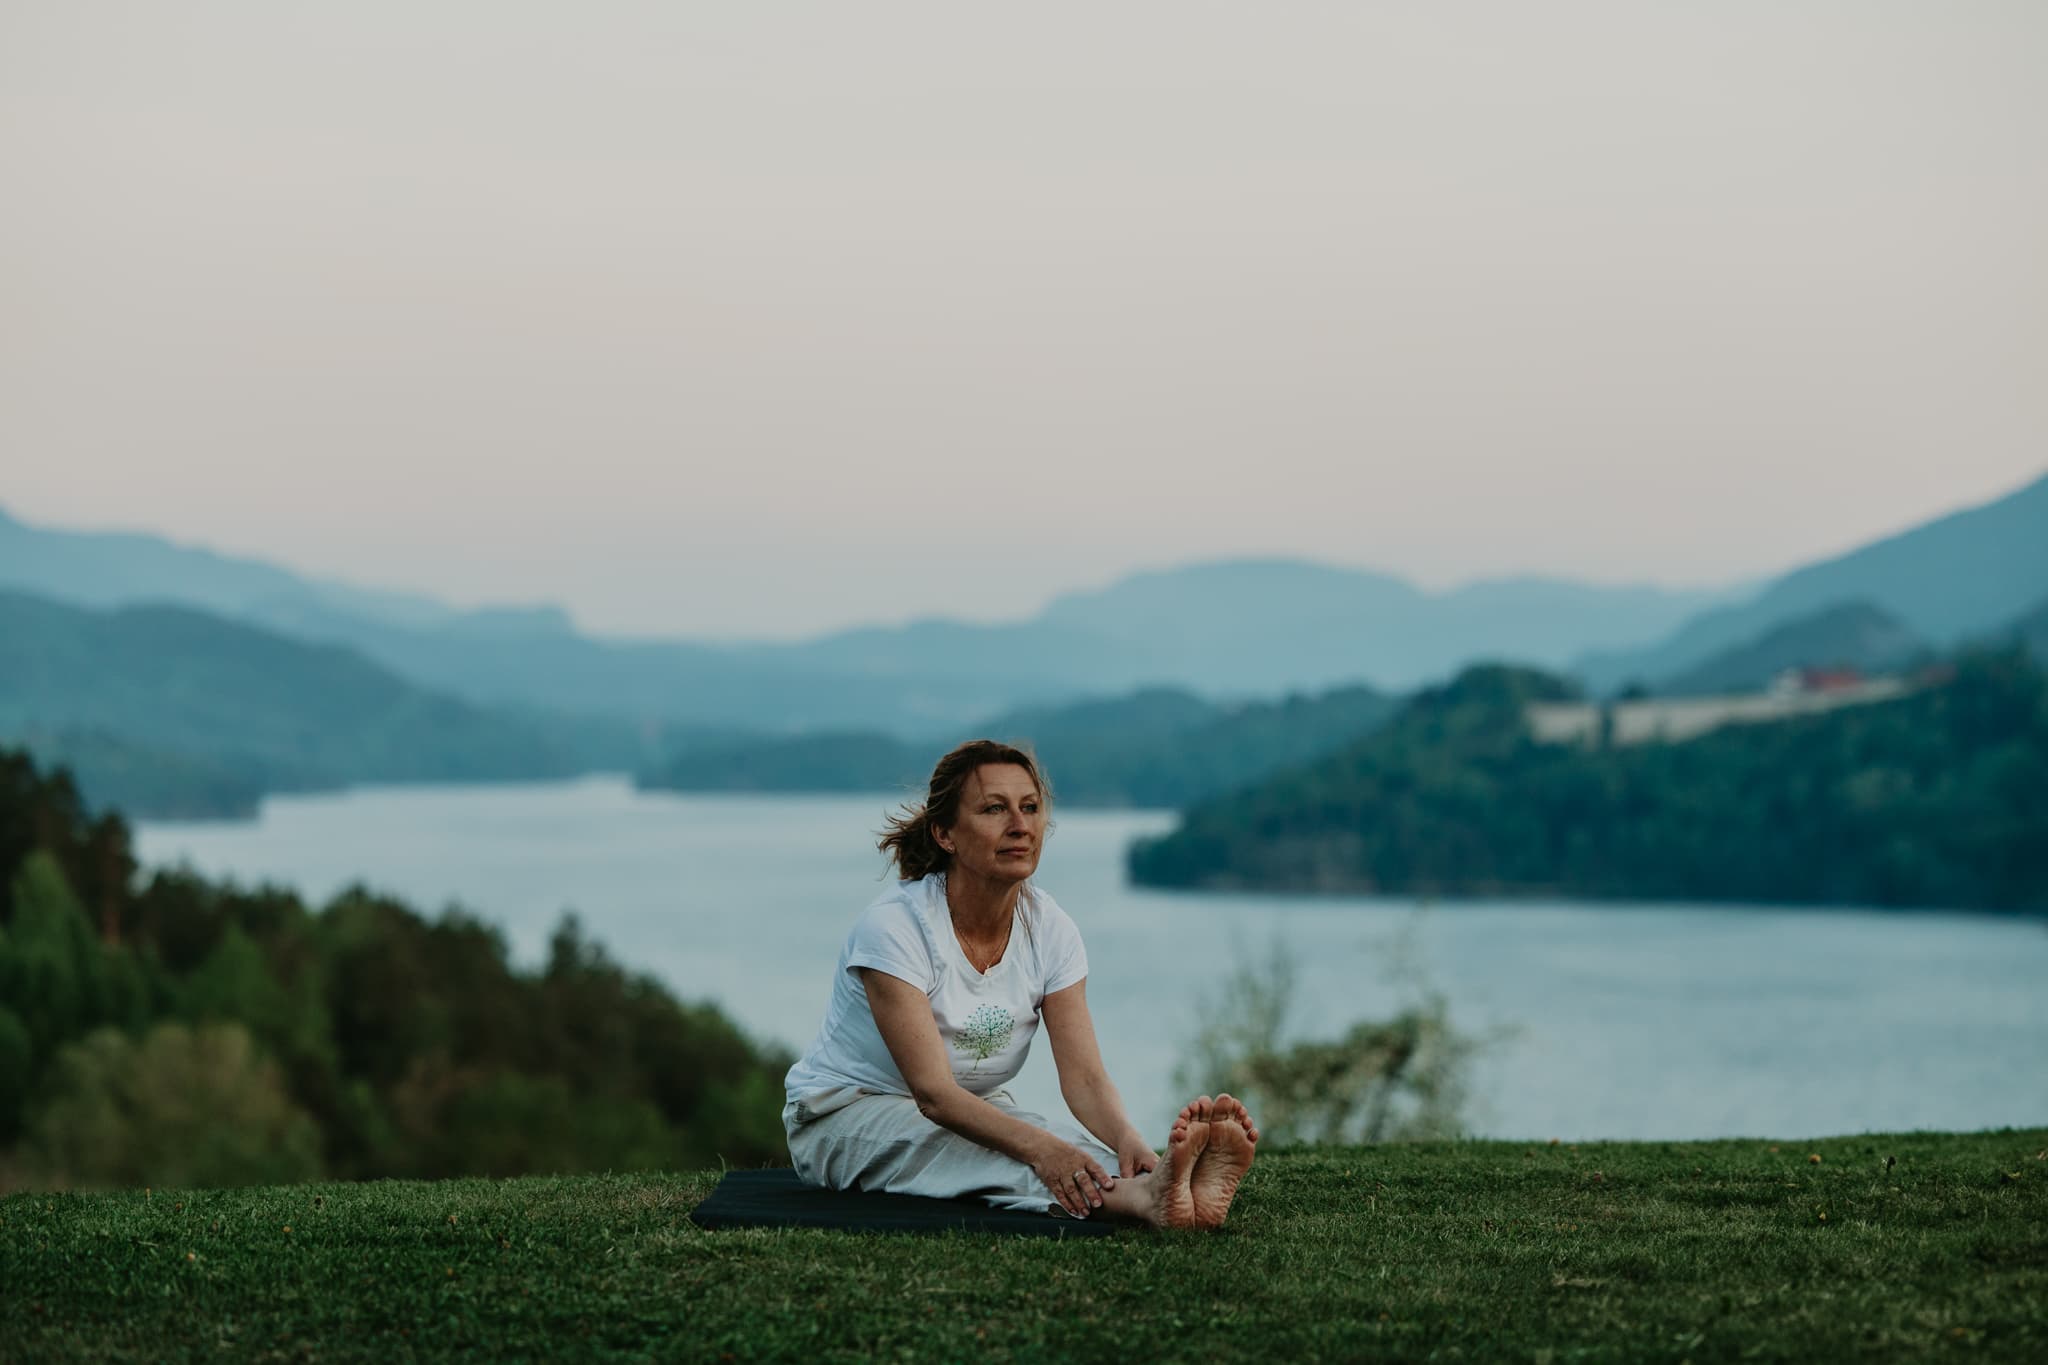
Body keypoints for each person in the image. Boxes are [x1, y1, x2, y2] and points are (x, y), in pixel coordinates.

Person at [782, 739, 1258, 1226]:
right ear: (945, 834)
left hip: (972, 1109)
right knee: (1009, 1151)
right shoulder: (893, 930)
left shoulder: (1051, 929)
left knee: (1065, 1145)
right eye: (994, 809)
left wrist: (1126, 1140)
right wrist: (1041, 1149)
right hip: (842, 1118)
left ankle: (1163, 1187)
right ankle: (1141, 1201)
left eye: (1030, 808)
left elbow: (1085, 1079)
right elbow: (933, 1097)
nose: (1020, 825)